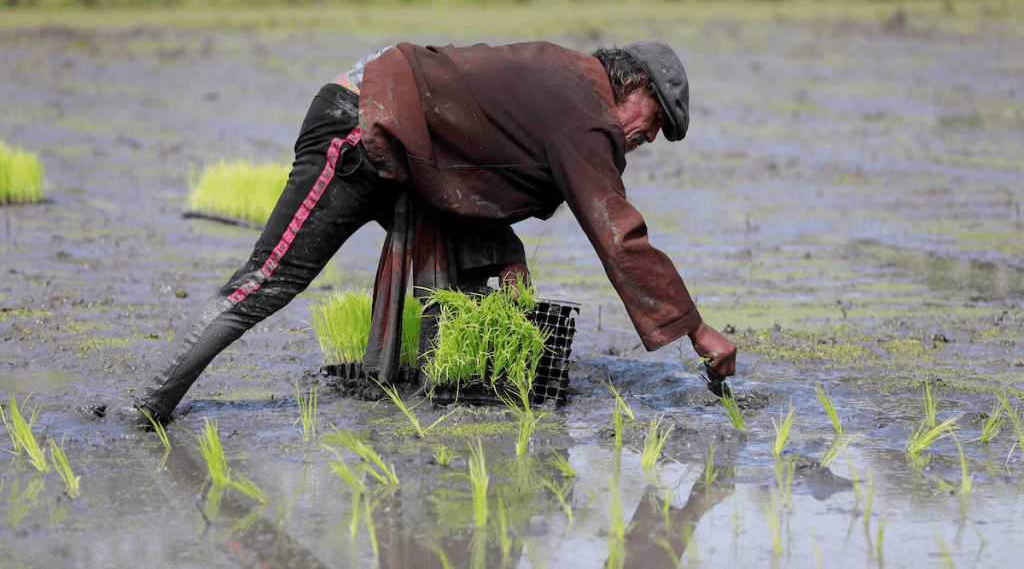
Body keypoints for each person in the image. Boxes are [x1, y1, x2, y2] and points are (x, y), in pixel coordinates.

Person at [129, 39, 737, 425]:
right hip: (360, 128)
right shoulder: (584, 110)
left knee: (463, 283)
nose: (649, 138)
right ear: (632, 87)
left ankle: (399, 397)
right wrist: (694, 329)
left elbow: (478, 163)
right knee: (271, 280)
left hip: (409, 158)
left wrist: (505, 248)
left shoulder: (568, 85)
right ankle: (148, 404)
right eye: (654, 122)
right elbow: (619, 236)